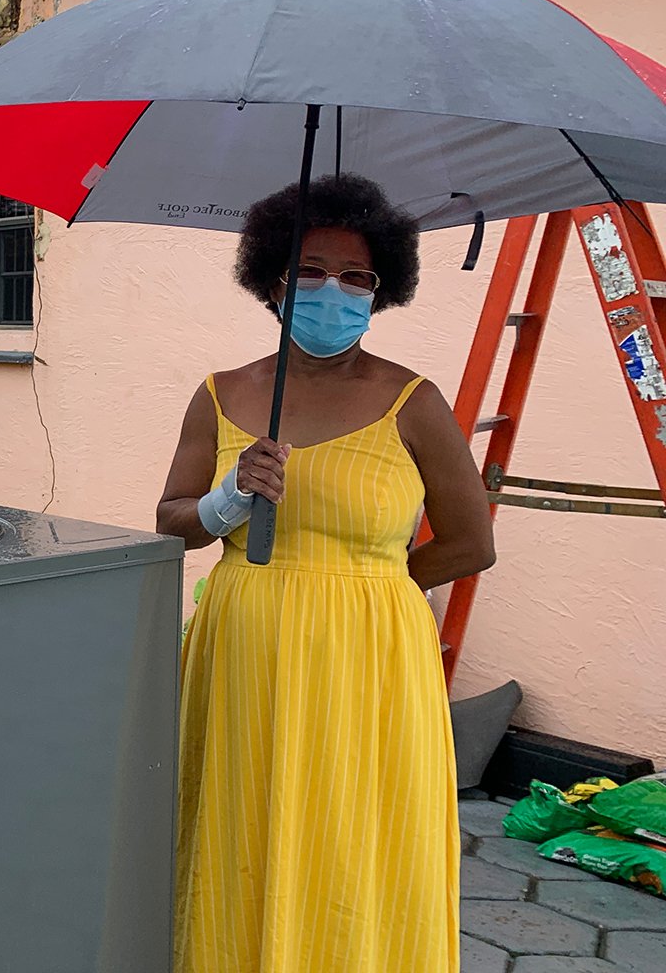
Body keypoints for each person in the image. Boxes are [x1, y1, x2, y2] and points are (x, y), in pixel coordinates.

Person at [156, 174, 496, 973]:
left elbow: (471, 543)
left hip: (369, 656)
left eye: (355, 276)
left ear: (382, 291)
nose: (331, 290)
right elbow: (172, 522)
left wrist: (374, 583)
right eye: (310, 270)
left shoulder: (415, 402)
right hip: (245, 646)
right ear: (273, 280)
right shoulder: (220, 395)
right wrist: (228, 501)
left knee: (351, 830)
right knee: (242, 820)